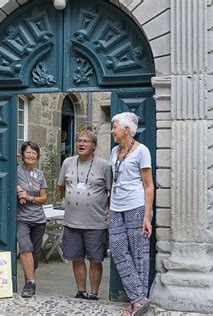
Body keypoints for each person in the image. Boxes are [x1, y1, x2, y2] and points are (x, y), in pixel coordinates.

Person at [108, 112, 154, 316]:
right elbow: (113, 181)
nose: (112, 130)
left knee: (139, 253)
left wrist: (146, 216)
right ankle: (140, 299)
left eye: (114, 126)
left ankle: (137, 304)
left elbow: (149, 186)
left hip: (136, 206)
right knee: (117, 250)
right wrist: (110, 208)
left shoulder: (142, 151)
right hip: (116, 207)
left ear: (126, 129)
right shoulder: (113, 151)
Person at [58, 130, 111, 300]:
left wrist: (107, 214)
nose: (81, 144)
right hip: (72, 221)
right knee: (77, 258)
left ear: (94, 146)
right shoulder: (67, 162)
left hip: (95, 222)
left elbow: (111, 191)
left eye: (86, 141)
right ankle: (81, 291)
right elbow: (61, 187)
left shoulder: (104, 166)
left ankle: (94, 293)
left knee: (96, 259)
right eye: (79, 141)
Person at [16, 141, 48, 298]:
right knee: (25, 247)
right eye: (27, 152)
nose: (30, 155)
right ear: (22, 155)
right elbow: (8, 182)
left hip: (39, 220)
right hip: (22, 218)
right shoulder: (16, 172)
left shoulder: (40, 174)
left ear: (37, 156)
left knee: (34, 255)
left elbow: (44, 198)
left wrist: (29, 197)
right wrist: (17, 189)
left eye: (34, 153)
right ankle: (30, 283)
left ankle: (29, 281)